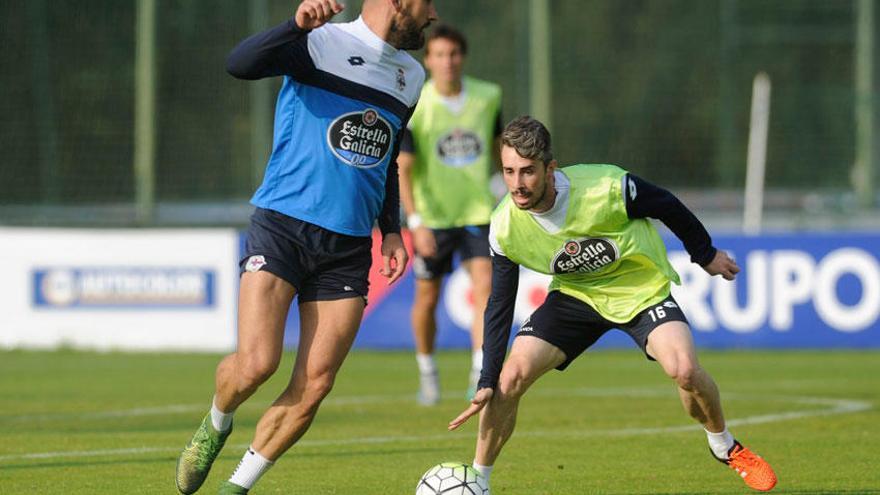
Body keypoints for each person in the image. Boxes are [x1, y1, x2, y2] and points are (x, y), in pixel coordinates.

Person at [174, 1, 437, 494]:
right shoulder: (321, 42)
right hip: (284, 227)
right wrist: (295, 26)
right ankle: (217, 420)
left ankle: (237, 487)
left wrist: (393, 230)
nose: (434, 15)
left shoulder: (412, 76)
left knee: (316, 384)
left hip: (350, 246)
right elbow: (239, 64)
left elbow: (386, 158)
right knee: (256, 364)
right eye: (428, 3)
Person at [448, 116, 778, 492]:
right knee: (509, 380)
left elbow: (667, 204)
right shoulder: (505, 226)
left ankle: (724, 446)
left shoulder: (607, 187)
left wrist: (704, 254)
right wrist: (487, 378)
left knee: (685, 370)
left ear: (550, 168)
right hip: (575, 295)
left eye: (527, 172)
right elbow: (499, 304)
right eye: (508, 172)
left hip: (639, 288)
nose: (517, 185)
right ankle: (477, 483)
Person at [397, 24, 502, 405]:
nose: (447, 62)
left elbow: (497, 150)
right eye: (439, 55)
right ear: (428, 60)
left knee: (486, 291)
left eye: (454, 54)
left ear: (463, 57)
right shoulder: (416, 102)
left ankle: (480, 372)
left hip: (478, 212)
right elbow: (403, 169)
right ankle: (427, 370)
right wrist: (415, 222)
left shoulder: (488, 96)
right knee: (426, 300)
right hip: (433, 219)